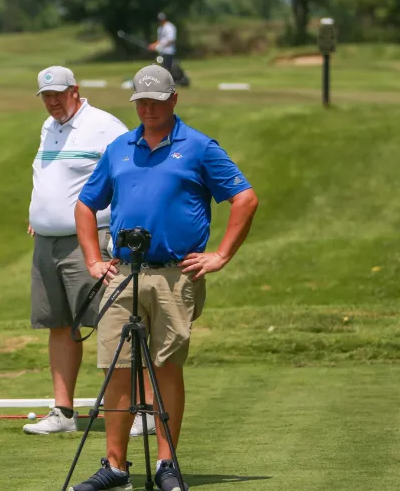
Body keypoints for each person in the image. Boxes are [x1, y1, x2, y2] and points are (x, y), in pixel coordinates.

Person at [69, 64, 259, 491]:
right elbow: (85, 205)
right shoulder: (120, 147)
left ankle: (166, 464)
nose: (149, 109)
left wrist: (221, 255)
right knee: (116, 369)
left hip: (176, 275)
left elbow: (245, 199)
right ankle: (115, 467)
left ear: (174, 99)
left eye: (156, 102)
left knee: (165, 366)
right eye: (142, 102)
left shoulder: (199, 147)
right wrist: (93, 259)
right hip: (122, 274)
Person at [22, 66, 157, 437]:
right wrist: (41, 213)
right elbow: (50, 178)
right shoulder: (49, 127)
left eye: (58, 95)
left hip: (89, 242)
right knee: (59, 325)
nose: (52, 103)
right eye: (46, 97)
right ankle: (64, 412)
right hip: (47, 243)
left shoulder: (104, 125)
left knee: (113, 325)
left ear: (75, 90)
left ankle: (141, 408)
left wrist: (113, 231)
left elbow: (130, 176)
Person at [148, 12, 189, 87]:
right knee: (162, 67)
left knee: (167, 68)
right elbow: (159, 40)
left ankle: (170, 83)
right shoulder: (160, 28)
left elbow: (171, 39)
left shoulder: (170, 27)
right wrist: (153, 45)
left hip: (169, 51)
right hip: (162, 52)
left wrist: (161, 45)